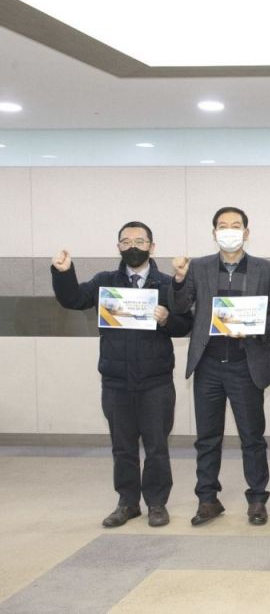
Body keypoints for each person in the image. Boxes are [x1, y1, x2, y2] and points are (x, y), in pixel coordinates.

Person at [51, 222, 193, 528]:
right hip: (116, 381)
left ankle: (156, 503)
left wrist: (167, 319)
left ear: (152, 247)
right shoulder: (105, 282)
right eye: (126, 241)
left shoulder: (166, 284)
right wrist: (63, 273)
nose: (133, 247)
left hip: (156, 381)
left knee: (156, 446)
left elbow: (186, 324)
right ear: (118, 247)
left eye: (140, 241)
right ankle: (127, 503)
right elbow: (73, 299)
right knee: (123, 446)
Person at [169, 207, 270, 527]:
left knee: (252, 437)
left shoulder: (266, 269)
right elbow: (180, 308)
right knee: (207, 437)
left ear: (246, 232)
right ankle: (207, 499)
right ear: (214, 233)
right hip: (208, 364)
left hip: (246, 364)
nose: (229, 230)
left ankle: (257, 499)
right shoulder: (198, 267)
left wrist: (255, 328)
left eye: (236, 225)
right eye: (223, 226)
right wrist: (178, 279)